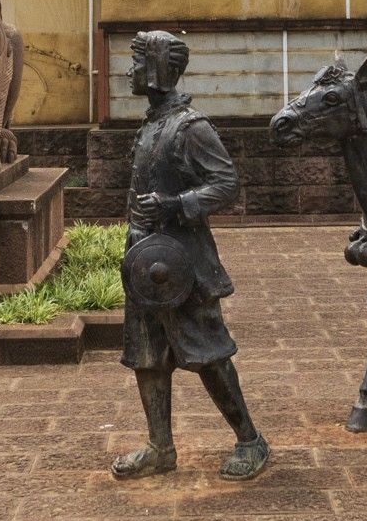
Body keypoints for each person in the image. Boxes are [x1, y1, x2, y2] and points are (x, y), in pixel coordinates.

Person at [112, 30, 269, 482]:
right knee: (147, 356)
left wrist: (175, 204)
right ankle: (160, 448)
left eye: (138, 62)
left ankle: (250, 440)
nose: (130, 71)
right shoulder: (152, 123)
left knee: (208, 353)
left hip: (185, 265)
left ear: (158, 69)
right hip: (146, 264)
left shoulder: (190, 127)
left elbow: (225, 183)